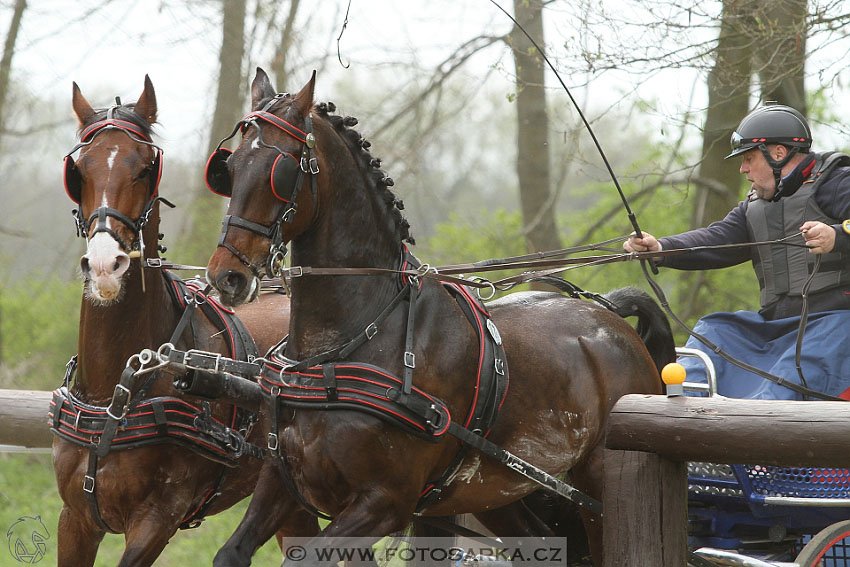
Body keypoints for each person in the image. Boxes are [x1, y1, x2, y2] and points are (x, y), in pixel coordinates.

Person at [624, 103, 850, 399]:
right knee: (713, 329)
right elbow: (718, 239)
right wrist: (660, 248)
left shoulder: (838, 182)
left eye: (749, 158)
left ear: (778, 154)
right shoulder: (754, 204)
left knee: (781, 386)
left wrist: (838, 236)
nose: (743, 168)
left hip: (834, 323)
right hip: (774, 328)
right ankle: (681, 416)